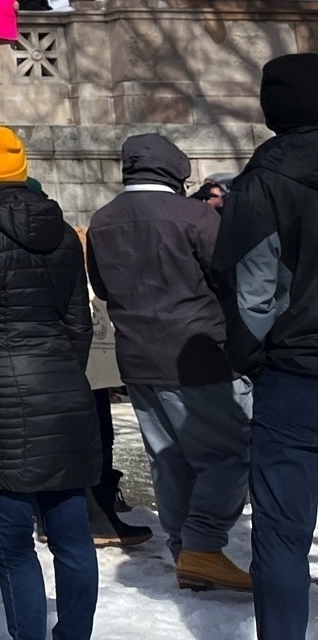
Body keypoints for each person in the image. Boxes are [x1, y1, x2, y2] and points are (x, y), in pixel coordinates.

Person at [0, 125, 100, 640]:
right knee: (73, 540)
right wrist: (61, 374)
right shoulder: (64, 231)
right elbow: (81, 323)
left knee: (13, 546)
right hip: (64, 395)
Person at [86, 133, 251, 590]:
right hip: (198, 354)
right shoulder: (194, 215)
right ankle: (201, 544)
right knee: (229, 455)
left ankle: (186, 551)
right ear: (176, 170)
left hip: (137, 356)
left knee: (168, 459)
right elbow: (232, 277)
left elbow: (101, 289)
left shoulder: (102, 220)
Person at [213, 52, 318, 638]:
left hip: (296, 376)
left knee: (282, 531)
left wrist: (249, 357)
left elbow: (253, 293)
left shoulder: (264, 182)